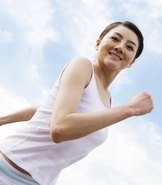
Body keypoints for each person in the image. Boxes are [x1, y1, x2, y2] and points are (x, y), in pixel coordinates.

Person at [0, 21, 154, 185]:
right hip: (8, 169)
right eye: (115, 39)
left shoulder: (107, 100)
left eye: (130, 47)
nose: (120, 47)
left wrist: (2, 120)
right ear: (98, 43)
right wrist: (129, 109)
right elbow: (60, 128)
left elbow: (47, 107)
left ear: (131, 63)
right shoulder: (83, 66)